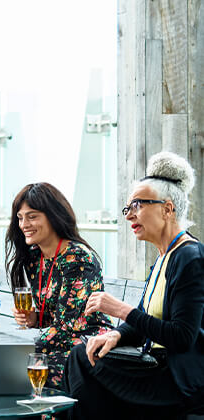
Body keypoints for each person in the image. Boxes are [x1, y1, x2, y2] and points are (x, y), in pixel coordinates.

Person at [64, 152, 204, 419]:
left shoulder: (189, 258)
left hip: (178, 382)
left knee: (81, 359)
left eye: (137, 205)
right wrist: (115, 335)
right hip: (157, 371)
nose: (129, 216)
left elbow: (182, 338)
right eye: (127, 208)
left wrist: (120, 309)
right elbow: (143, 319)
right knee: (86, 354)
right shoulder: (165, 257)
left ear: (167, 208)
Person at [4, 182, 112, 389]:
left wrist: (17, 352)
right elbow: (56, 317)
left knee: (17, 377)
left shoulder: (78, 258)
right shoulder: (36, 258)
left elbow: (69, 325)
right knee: (9, 375)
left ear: (53, 216)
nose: (24, 224)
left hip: (87, 346)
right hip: (56, 347)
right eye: (20, 217)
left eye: (32, 216)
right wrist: (36, 319)